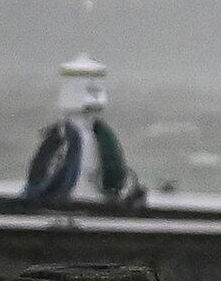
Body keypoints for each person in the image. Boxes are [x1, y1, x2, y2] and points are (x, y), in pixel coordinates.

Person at [17, 57, 145, 210]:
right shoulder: (70, 135)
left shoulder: (83, 134)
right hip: (81, 204)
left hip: (86, 204)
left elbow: (113, 171)